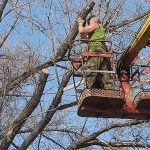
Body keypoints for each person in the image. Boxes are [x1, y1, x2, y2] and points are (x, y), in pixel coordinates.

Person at [77, 15, 114, 89]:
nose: (89, 24)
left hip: (95, 50)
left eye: (89, 22)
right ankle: (109, 91)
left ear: (94, 19)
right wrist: (83, 26)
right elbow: (83, 39)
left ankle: (88, 89)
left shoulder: (96, 24)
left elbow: (81, 31)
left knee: (91, 70)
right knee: (104, 73)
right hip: (102, 52)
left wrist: (80, 24)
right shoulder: (96, 33)